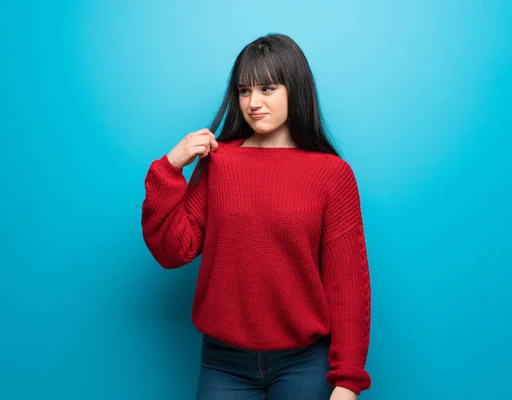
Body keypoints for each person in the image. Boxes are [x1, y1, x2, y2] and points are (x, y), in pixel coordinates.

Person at [141, 33, 372, 400]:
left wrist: (348, 381)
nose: (254, 102)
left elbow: (348, 285)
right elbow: (173, 252)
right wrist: (169, 168)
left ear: (293, 90)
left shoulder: (331, 174)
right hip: (223, 362)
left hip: (305, 362)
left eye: (267, 88)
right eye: (244, 91)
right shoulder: (217, 164)